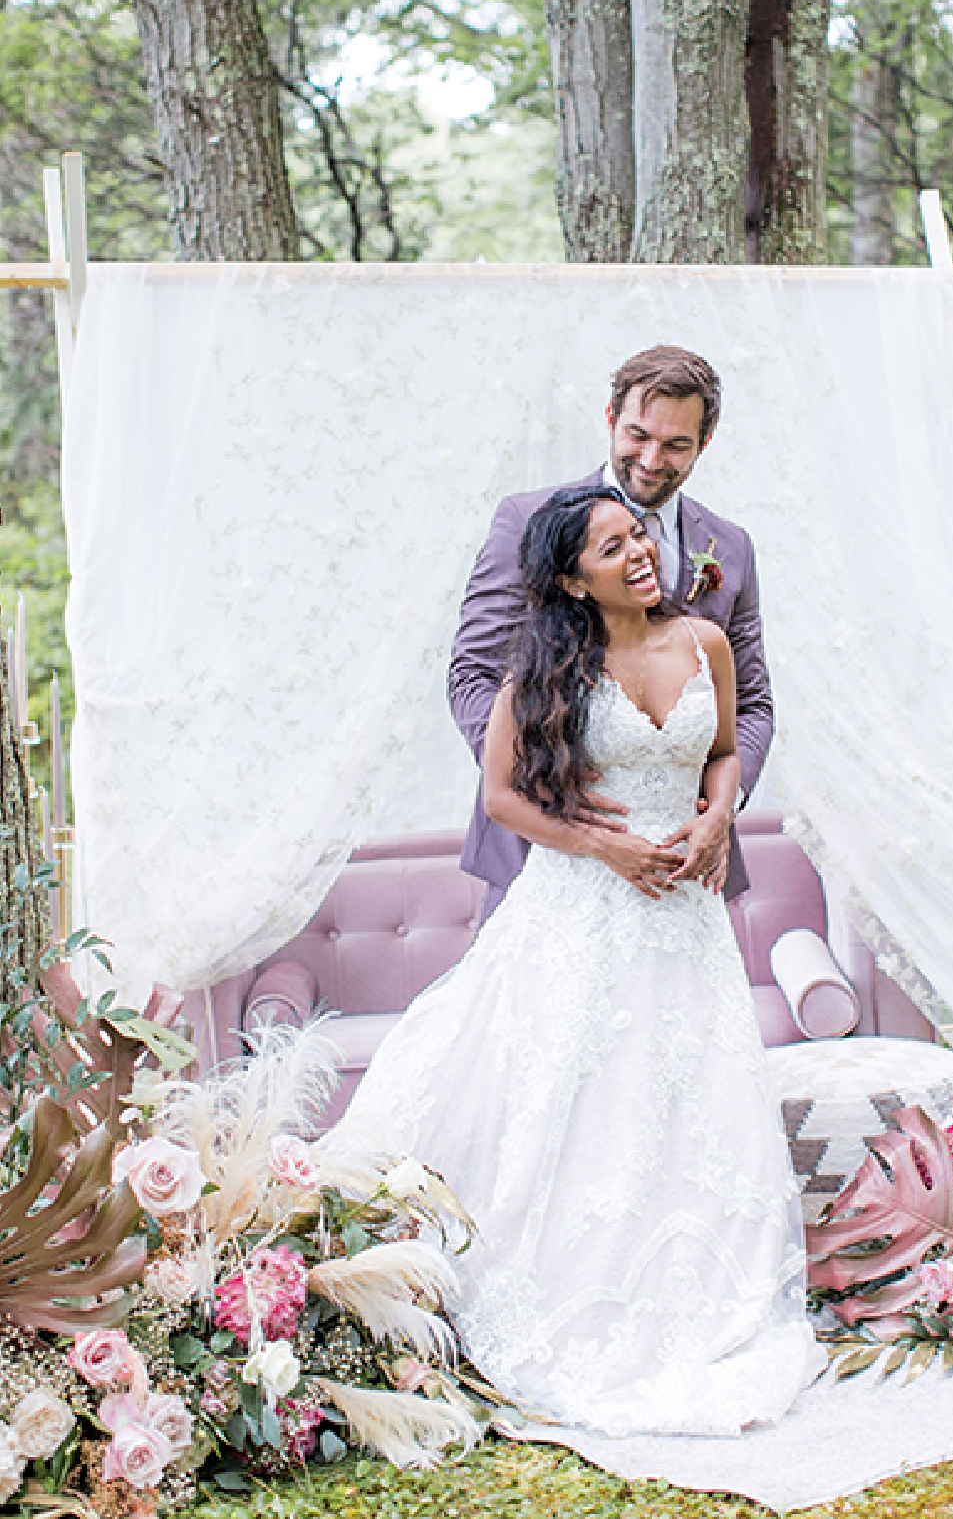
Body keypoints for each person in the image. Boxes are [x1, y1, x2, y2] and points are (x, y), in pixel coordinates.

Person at [324, 484, 819, 1437]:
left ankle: (698, 1293)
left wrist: (717, 816)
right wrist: (604, 848)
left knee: (687, 1100)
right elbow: (503, 797)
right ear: (570, 579)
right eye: (611, 547)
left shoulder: (702, 643)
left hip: (684, 917)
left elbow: (721, 749)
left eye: (637, 536)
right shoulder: (546, 666)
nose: (639, 554)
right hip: (581, 911)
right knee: (574, 1095)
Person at [449, 345, 774, 923]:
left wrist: (720, 809)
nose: (651, 459)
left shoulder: (732, 547)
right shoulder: (527, 522)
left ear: (705, 441)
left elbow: (751, 704)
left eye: (676, 444)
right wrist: (544, 784)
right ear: (609, 418)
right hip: (541, 864)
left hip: (682, 866)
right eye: (637, 434)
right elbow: (473, 674)